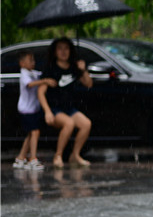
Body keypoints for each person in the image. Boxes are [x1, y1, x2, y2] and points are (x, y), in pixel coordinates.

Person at [38, 37, 93, 169]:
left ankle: (75, 155)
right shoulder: (51, 69)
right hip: (54, 108)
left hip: (69, 108)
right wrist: (47, 112)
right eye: (60, 48)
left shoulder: (74, 67)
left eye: (66, 48)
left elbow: (89, 84)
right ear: (55, 51)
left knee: (86, 124)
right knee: (69, 123)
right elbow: (40, 92)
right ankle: (58, 155)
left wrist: (83, 69)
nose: (63, 52)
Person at [12, 51, 54, 170]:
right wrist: (45, 81)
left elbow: (40, 75)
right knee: (35, 132)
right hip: (26, 110)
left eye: (33, 60)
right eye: (30, 60)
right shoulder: (24, 74)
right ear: (22, 63)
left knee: (31, 134)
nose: (33, 63)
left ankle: (21, 158)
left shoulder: (32, 73)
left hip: (32, 109)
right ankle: (33, 159)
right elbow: (30, 84)